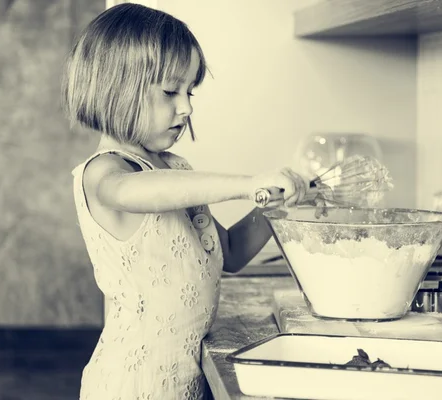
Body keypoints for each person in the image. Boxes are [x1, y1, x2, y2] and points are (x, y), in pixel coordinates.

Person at [62, 4, 311, 399]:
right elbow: (138, 191)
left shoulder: (175, 168)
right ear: (116, 87)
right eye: (170, 91)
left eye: (190, 92)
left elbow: (228, 253)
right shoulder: (105, 173)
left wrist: (272, 206)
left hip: (183, 383)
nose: (187, 107)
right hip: (133, 385)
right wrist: (248, 183)